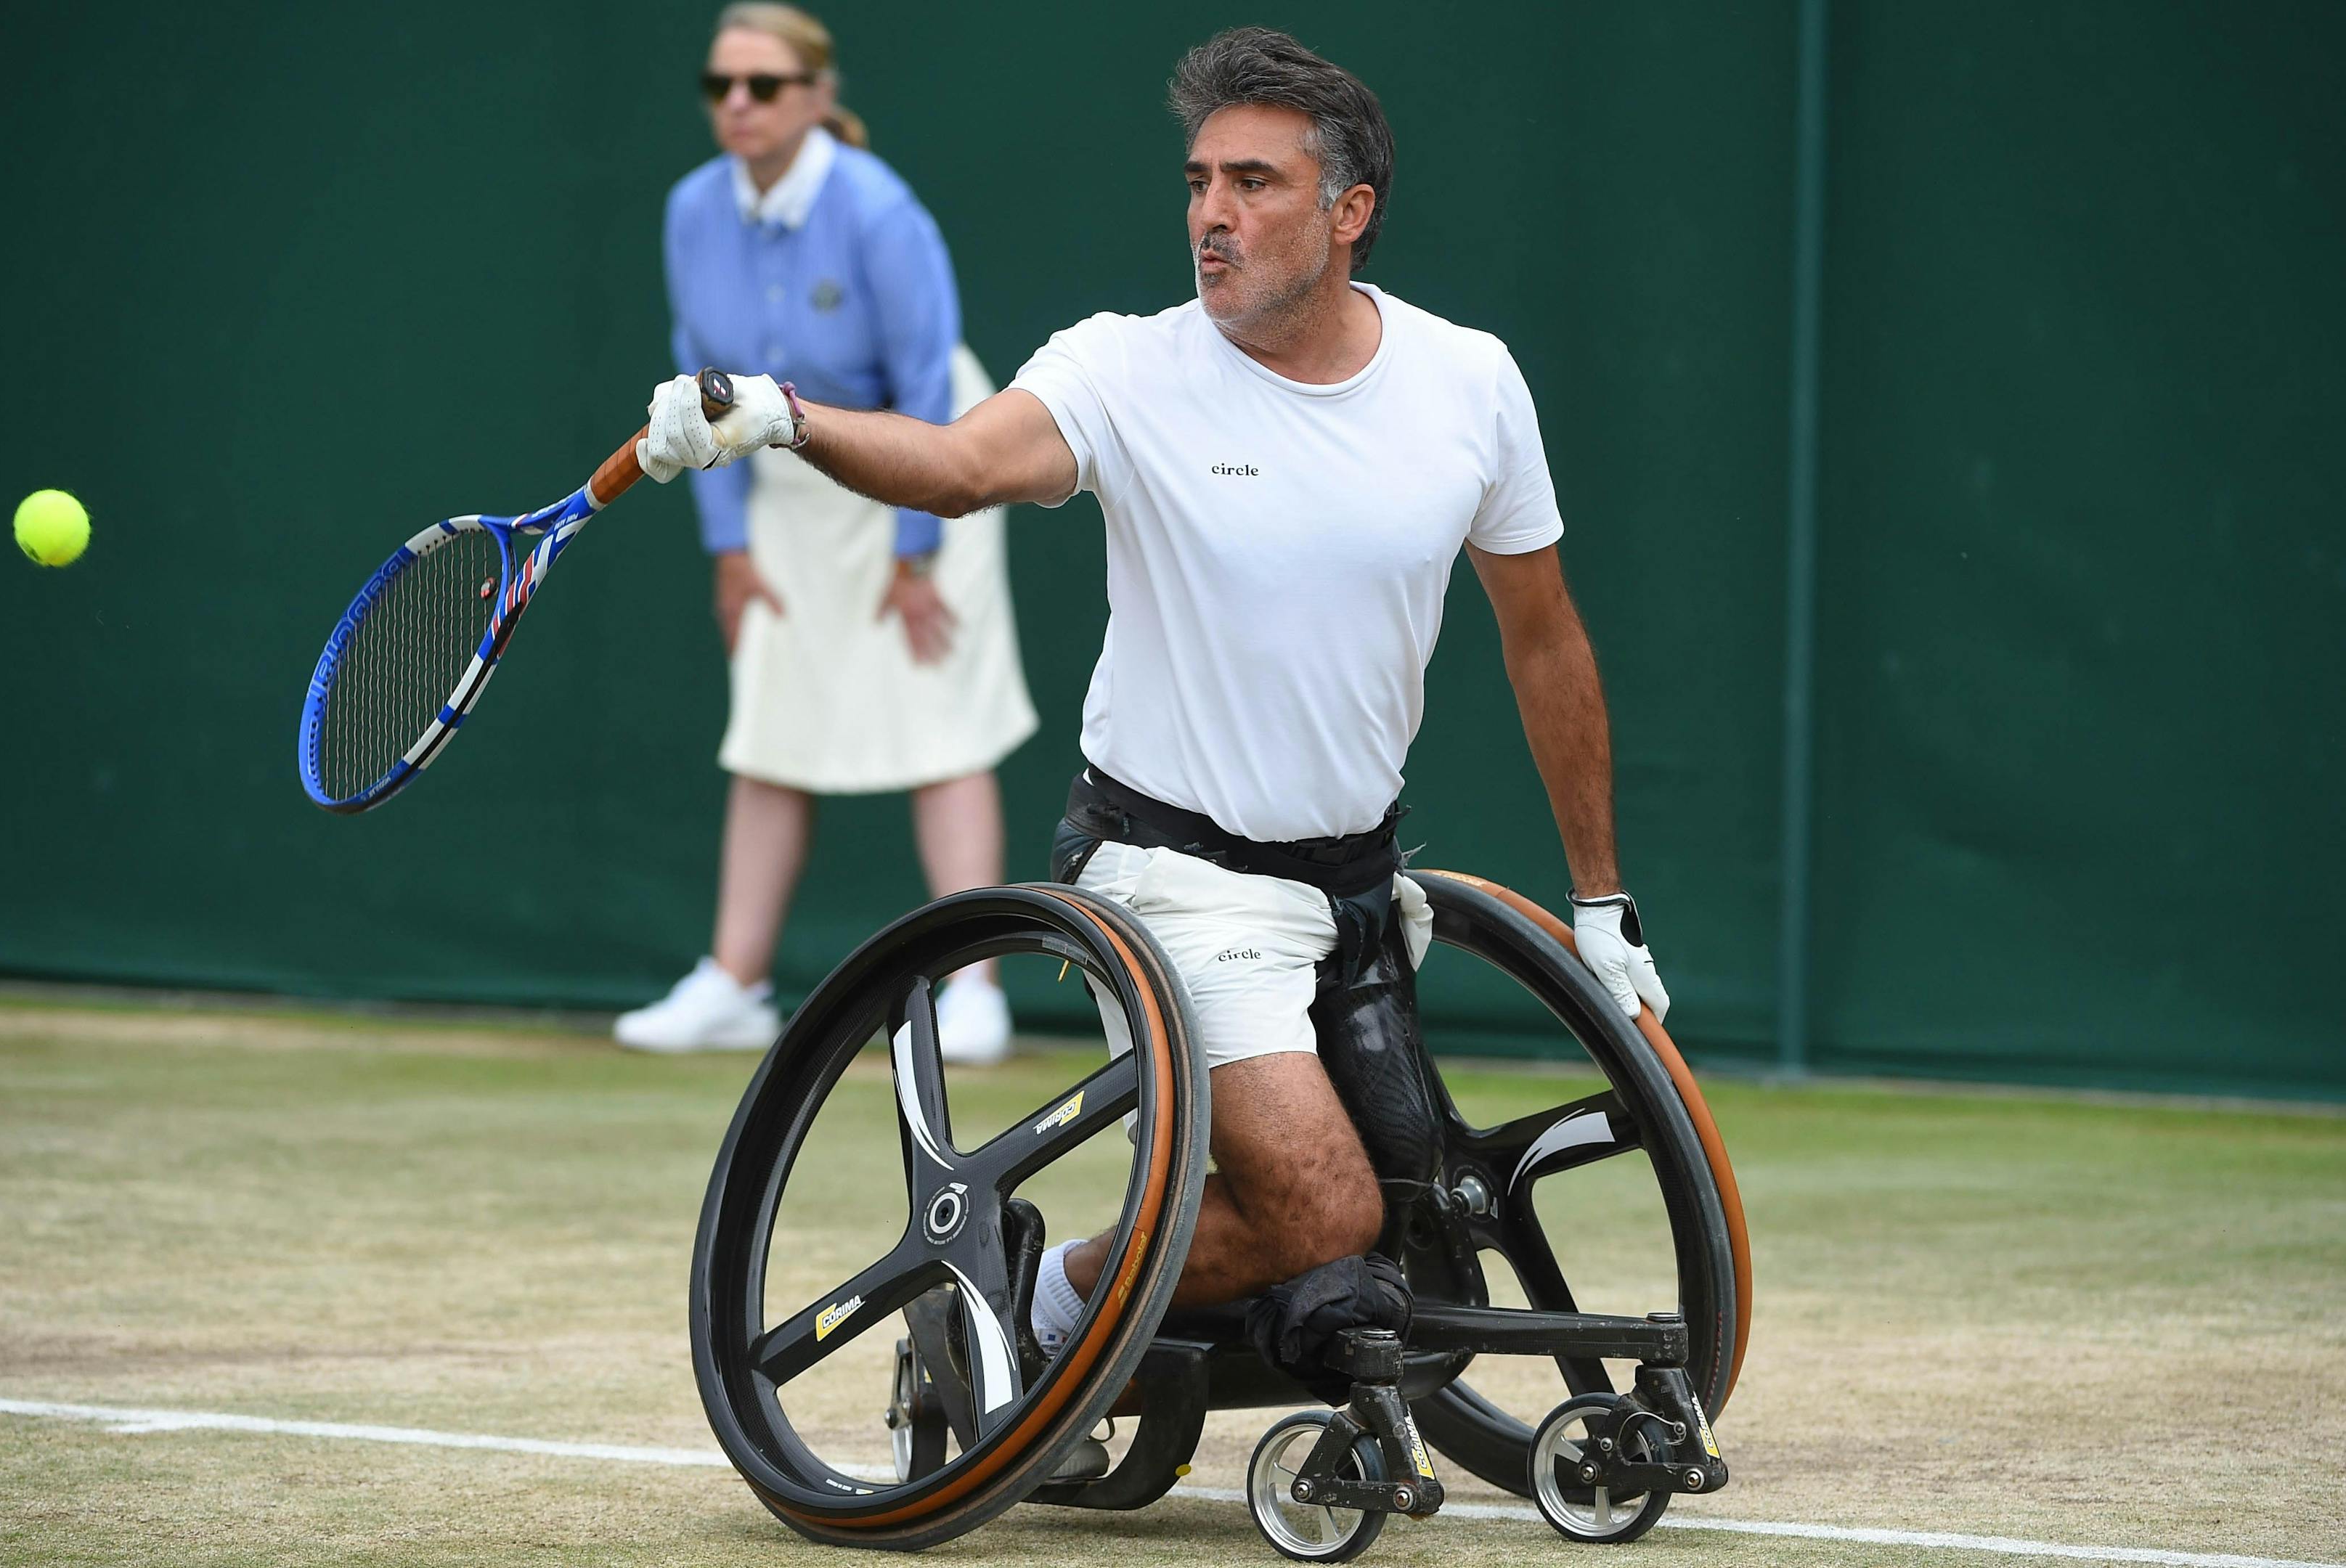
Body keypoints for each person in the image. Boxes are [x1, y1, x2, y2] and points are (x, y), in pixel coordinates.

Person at [636, 28, 1668, 1338]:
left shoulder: (1471, 381)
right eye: (1197, 184)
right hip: (1165, 876)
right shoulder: (1124, 369)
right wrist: (783, 413)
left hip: (1356, 882)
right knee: (1322, 1215)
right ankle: (1039, 1308)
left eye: (1253, 184)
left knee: (1413, 1213)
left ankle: (1154, 1334)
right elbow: (957, 468)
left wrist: (1601, 899)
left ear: (1349, 213)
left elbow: (1546, 638)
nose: (1213, 217)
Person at [614, 3, 1038, 1064]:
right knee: (770, 731)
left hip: (921, 458)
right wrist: (730, 547)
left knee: (939, 729)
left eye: (762, 86)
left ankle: (977, 991)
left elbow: (930, 383)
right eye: (721, 88)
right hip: (783, 481)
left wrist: (915, 554)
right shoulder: (689, 211)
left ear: (815, 95)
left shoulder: (880, 212)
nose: (740, 106)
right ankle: (734, 982)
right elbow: (699, 391)